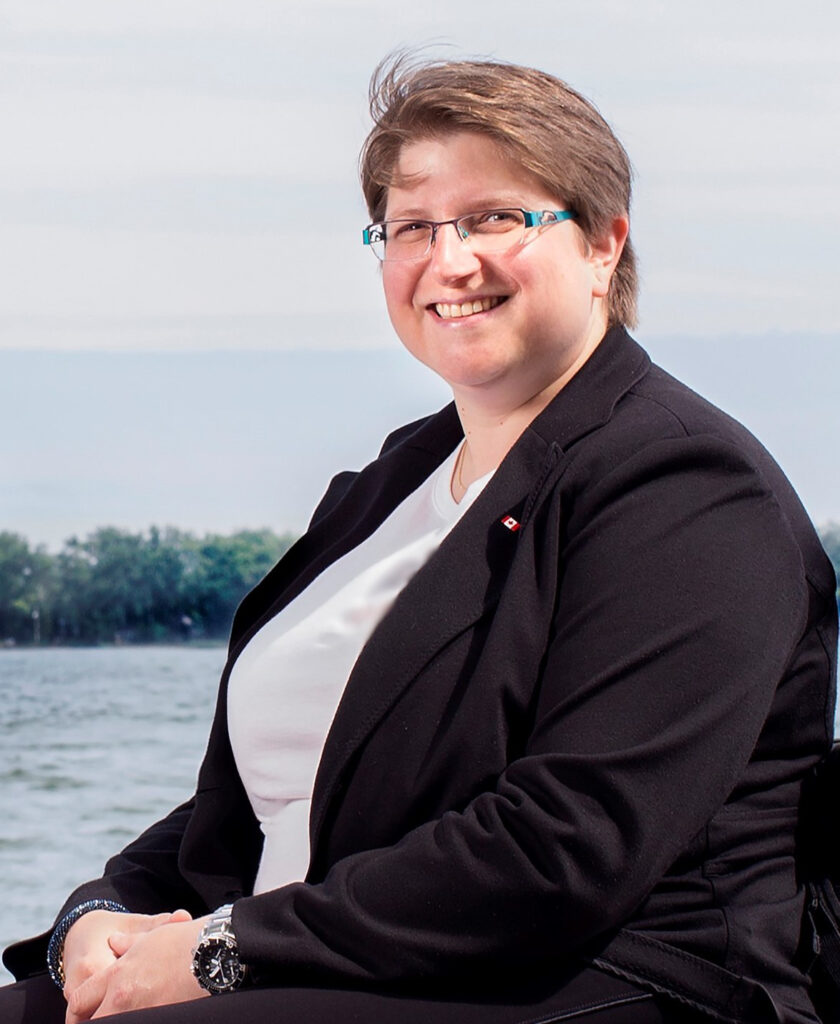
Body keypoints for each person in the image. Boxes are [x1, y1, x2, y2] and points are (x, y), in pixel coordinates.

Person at [1, 55, 836, 1024]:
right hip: (345, 962)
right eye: (411, 227)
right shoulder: (393, 482)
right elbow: (275, 791)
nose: (449, 259)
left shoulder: (684, 483)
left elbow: (568, 844)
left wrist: (225, 951)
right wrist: (103, 914)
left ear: (606, 244)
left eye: (495, 218)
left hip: (616, 981)